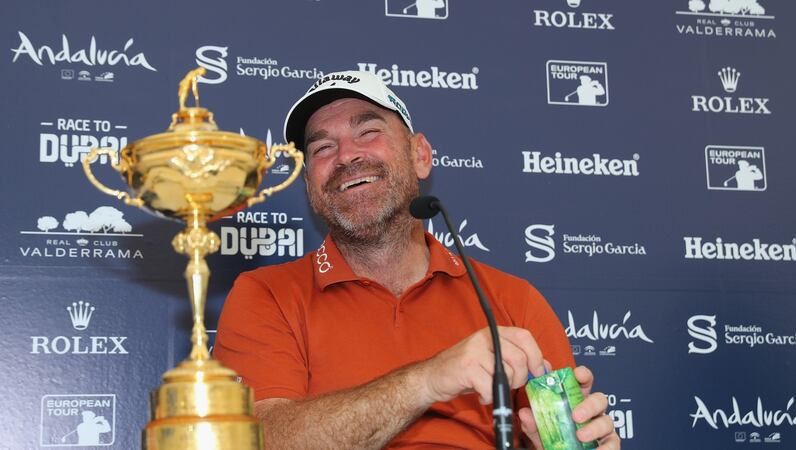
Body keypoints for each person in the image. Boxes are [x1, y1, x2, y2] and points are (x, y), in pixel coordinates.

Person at [215, 70, 619, 449]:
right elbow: (256, 438)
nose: (345, 156)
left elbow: (566, 435)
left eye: (368, 131)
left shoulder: (513, 300)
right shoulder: (266, 295)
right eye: (322, 147)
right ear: (311, 187)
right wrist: (430, 379)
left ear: (420, 156)